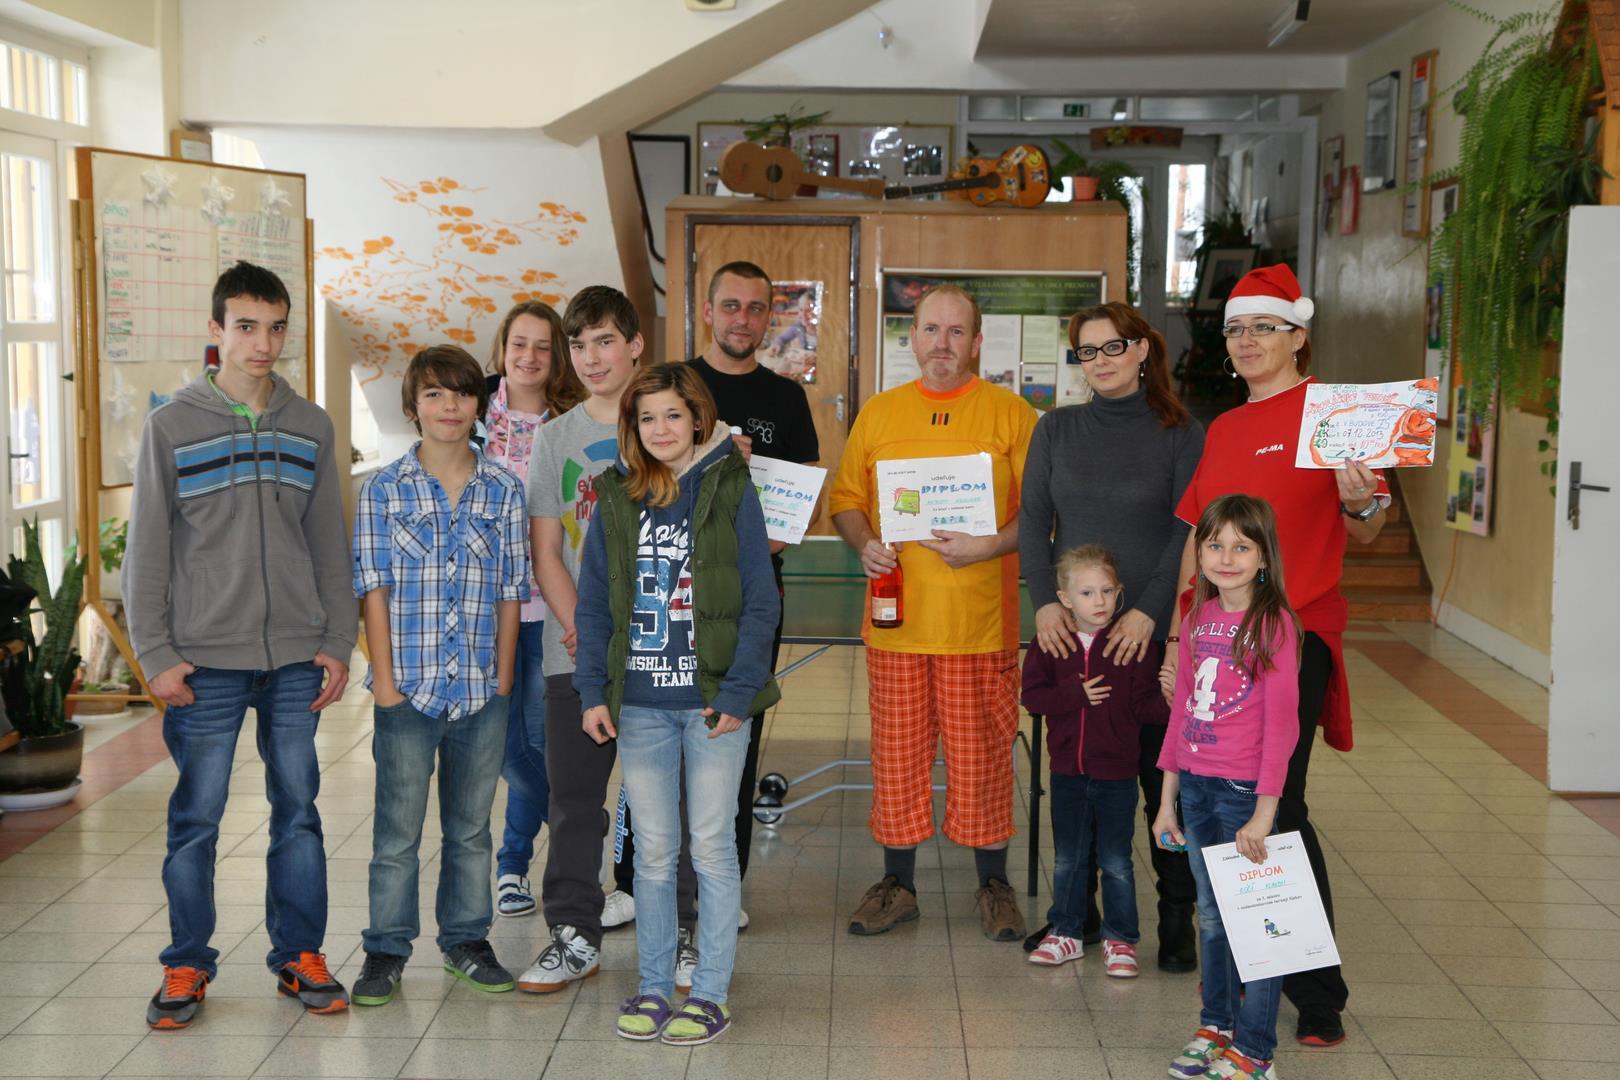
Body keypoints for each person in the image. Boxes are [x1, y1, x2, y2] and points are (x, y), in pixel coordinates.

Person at [126, 262, 356, 1030]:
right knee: (197, 816)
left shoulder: (310, 424)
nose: (264, 342)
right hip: (204, 660)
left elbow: (328, 545)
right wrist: (155, 654)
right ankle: (186, 962)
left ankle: (300, 955)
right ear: (217, 330)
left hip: (294, 657)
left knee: (299, 810)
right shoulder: (170, 426)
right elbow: (147, 551)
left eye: (276, 327)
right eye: (247, 326)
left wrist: (338, 640)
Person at [1164, 263, 1387, 1047]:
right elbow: (1199, 539)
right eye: (1235, 329)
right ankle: (1246, 970)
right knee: (1223, 802)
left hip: (1296, 633)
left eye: (1264, 326)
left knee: (1277, 807)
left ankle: (1315, 991)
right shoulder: (1223, 428)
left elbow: (1369, 526)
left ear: (1298, 336)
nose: (1246, 340)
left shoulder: (1335, 414)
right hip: (1216, 639)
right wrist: (1178, 637)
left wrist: (1361, 497)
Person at [611, 259, 819, 982]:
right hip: (654, 641)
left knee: (727, 763)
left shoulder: (785, 398)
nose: (742, 318)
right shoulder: (668, 389)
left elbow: (795, 507)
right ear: (707, 310)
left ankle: (716, 904)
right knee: (651, 793)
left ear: (769, 317)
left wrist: (744, 512)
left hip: (736, 612)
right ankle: (643, 897)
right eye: (730, 305)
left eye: (756, 308)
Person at [574, 363, 780, 1045]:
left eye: (672, 414)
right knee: (655, 854)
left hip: (715, 703)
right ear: (631, 427)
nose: (660, 429)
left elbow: (761, 599)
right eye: (646, 417)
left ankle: (710, 993)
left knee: (712, 849)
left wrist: (741, 692)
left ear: (698, 418)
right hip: (639, 705)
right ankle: (655, 986)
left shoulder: (731, 486)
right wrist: (592, 692)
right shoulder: (615, 495)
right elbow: (594, 604)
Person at [829, 283, 1038, 940]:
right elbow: (846, 499)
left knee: (983, 763)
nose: (942, 343)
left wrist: (989, 545)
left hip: (980, 628)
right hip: (896, 627)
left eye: (956, 331)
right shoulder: (880, 414)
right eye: (930, 329)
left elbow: (1042, 512)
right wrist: (865, 542)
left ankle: (994, 886)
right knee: (897, 763)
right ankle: (899, 886)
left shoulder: (1013, 415)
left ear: (976, 342)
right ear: (912, 337)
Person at [1016, 300, 1204, 972]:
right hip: (1076, 642)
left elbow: (1187, 531)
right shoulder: (1056, 429)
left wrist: (1149, 613)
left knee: (1161, 784)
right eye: (1087, 351)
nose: (1100, 361)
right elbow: (1033, 521)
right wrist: (1046, 605)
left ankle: (1176, 915)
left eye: (1113, 347)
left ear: (1142, 350)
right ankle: (1080, 915)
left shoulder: (1181, 433)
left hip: (1149, 638)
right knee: (1082, 778)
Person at [349, 345, 529, 1006]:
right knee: (396, 834)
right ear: (412, 407)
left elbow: (511, 590)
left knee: (471, 830)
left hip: (482, 691)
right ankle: (385, 949)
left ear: (479, 405)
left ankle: (465, 941)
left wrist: (503, 679)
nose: (449, 406)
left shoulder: (503, 489)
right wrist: (385, 684)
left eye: (461, 393)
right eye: (433, 394)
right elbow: (372, 590)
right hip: (407, 691)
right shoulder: (383, 490)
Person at [519, 285, 645, 992]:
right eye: (579, 345)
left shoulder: (672, 422)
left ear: (635, 345)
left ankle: (683, 931)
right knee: (573, 801)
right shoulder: (555, 438)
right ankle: (573, 935)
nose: (592, 358)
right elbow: (546, 552)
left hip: (659, 650)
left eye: (605, 341)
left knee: (672, 801)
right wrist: (583, 631)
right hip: (574, 651)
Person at [1155, 494, 1301, 1080]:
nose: (1226, 557)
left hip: (1243, 794)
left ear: (1264, 557)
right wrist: (1166, 801)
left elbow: (1283, 725)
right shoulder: (1197, 619)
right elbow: (1182, 712)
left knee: (1256, 922)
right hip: (1194, 787)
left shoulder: (1274, 624)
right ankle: (1216, 1025)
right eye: (1214, 545)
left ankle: (1257, 1051)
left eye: (1242, 547)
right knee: (1212, 918)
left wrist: (1265, 812)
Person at [480, 301, 585, 920]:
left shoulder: (571, 424)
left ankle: (513, 867)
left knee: (542, 745)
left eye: (543, 346)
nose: (529, 357)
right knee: (499, 745)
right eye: (520, 343)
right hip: (482, 614)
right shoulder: (468, 414)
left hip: (549, 608)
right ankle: (581, 829)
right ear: (502, 348)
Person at [1019, 545, 1167, 976]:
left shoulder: (1133, 646)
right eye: (1086, 593)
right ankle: (1066, 932)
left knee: (1117, 862)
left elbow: (1144, 706)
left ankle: (1120, 940)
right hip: (1067, 773)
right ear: (1065, 599)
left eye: (1106, 591)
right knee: (1068, 859)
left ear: (1119, 592)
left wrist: (1175, 702)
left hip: (1118, 775)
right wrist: (1074, 695)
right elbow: (1033, 697)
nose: (1098, 601)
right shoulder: (1050, 644)